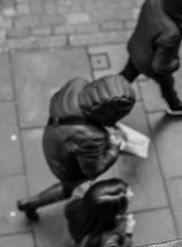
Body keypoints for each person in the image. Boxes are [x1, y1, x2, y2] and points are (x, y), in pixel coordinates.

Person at [17, 74, 136, 222]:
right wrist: (114, 147)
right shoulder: (91, 137)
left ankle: (30, 204)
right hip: (63, 163)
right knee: (69, 188)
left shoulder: (77, 84)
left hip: (53, 134)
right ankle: (29, 204)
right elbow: (93, 170)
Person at [119, 0, 182, 115]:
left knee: (126, 75)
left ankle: (106, 91)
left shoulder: (153, 2)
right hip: (148, 63)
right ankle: (175, 106)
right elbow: (160, 67)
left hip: (137, 48)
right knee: (167, 84)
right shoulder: (171, 33)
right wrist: (176, 63)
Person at [65, 178, 135, 247]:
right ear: (111, 213)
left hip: (78, 230)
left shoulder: (78, 195)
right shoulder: (108, 242)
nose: (132, 194)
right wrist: (128, 233)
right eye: (127, 202)